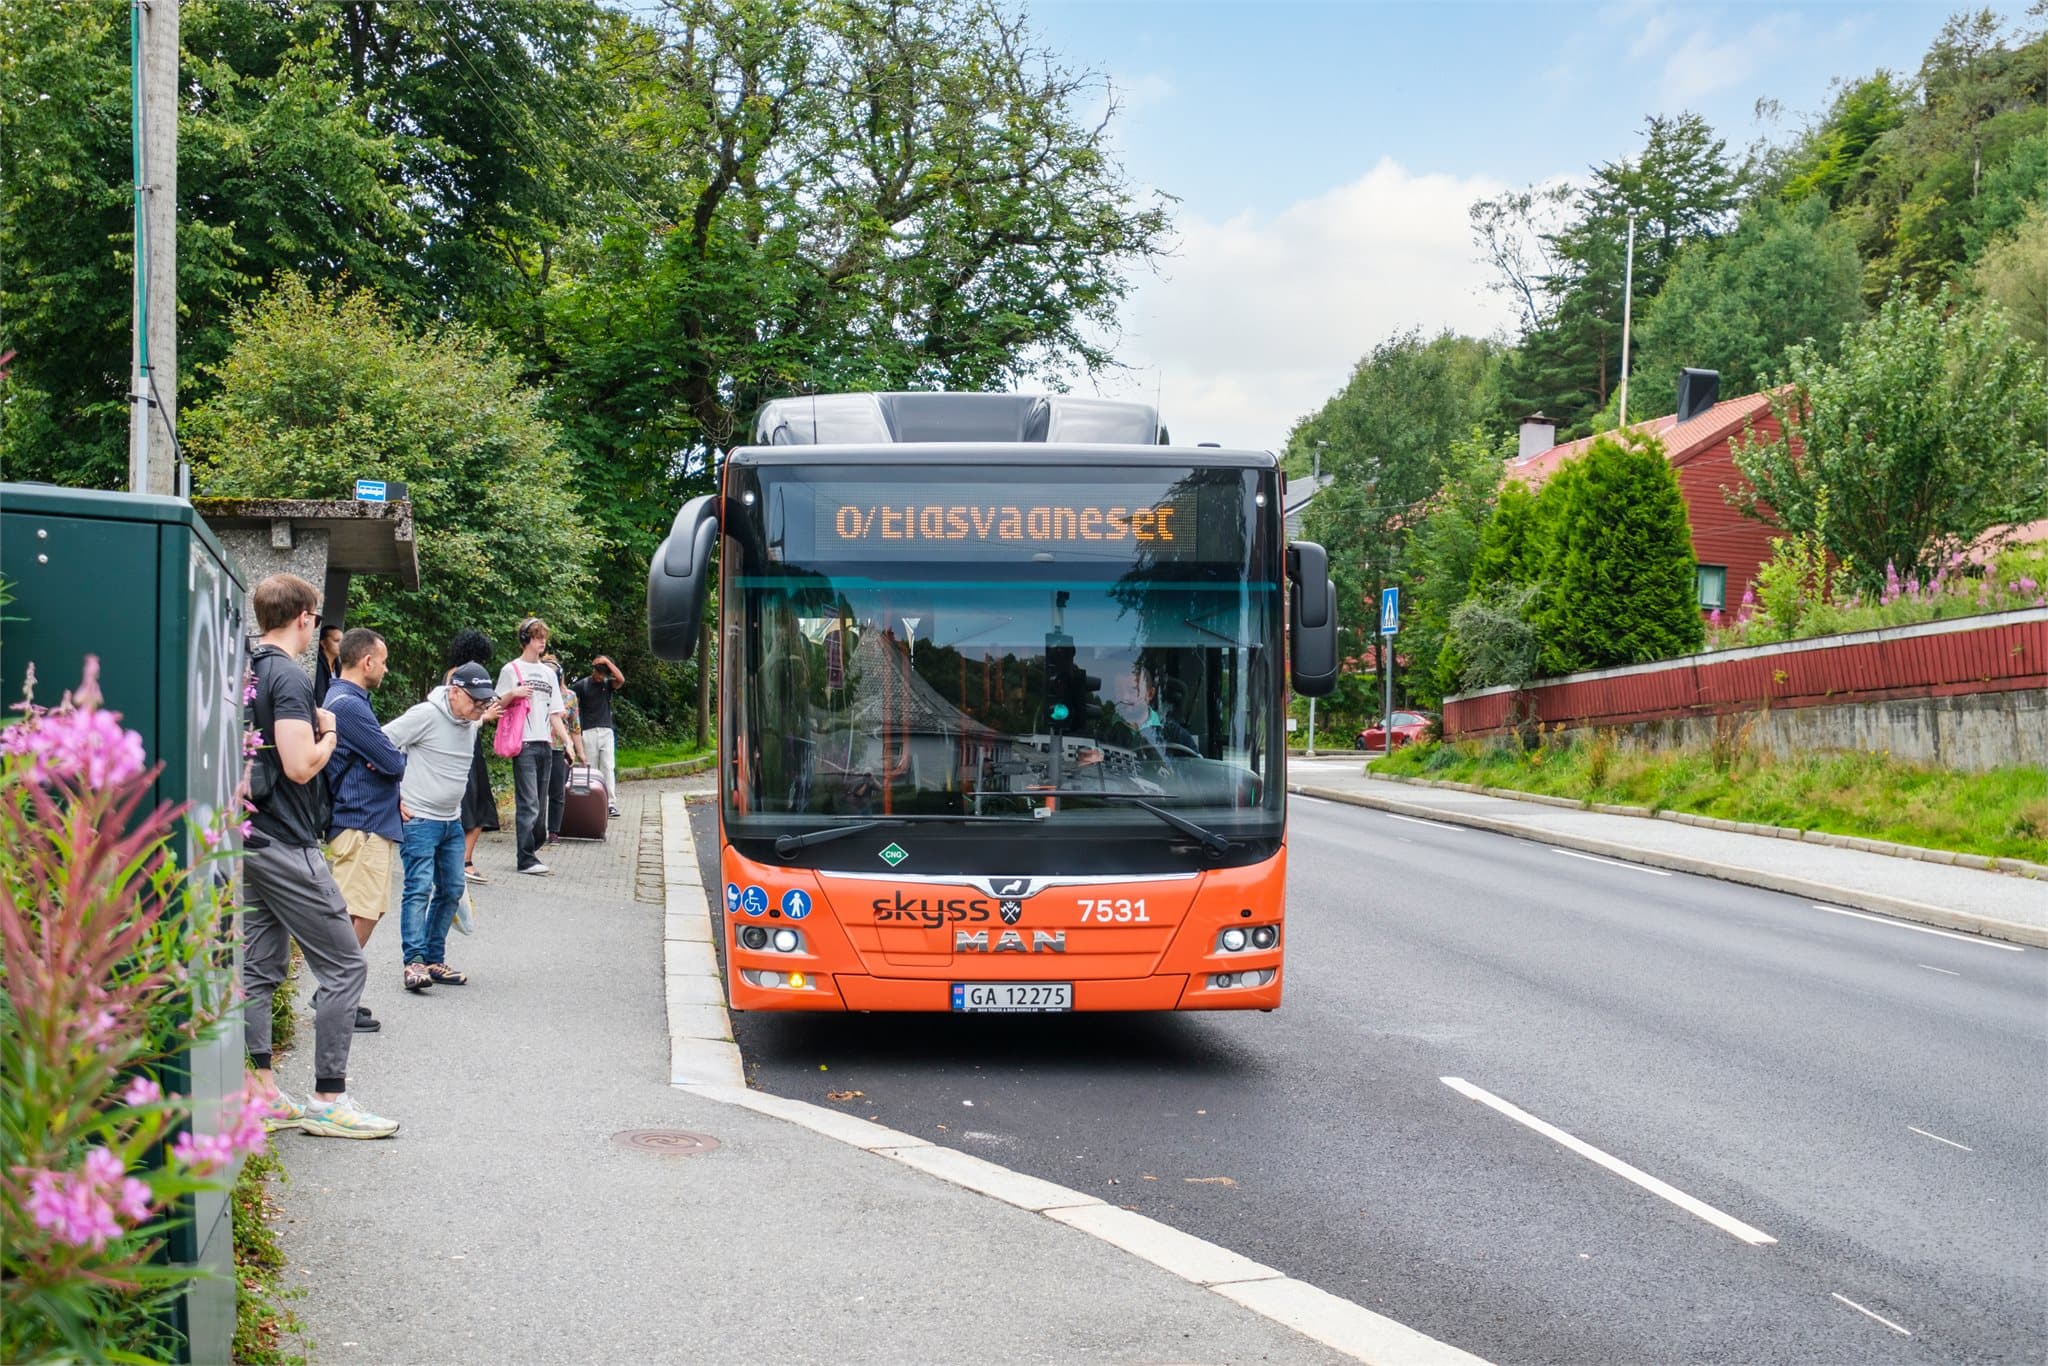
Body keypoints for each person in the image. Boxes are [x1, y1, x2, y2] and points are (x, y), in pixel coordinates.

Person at [240, 573, 399, 1140]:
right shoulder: (286, 675)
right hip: (286, 838)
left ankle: (258, 1091)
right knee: (345, 966)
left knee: (259, 967)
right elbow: (300, 765)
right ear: (305, 617)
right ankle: (329, 1098)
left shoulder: (248, 668)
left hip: (249, 835)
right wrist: (328, 734)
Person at [385, 663, 509, 991]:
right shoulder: (425, 715)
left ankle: (432, 959)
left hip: (451, 820)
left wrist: (483, 714)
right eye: (475, 700)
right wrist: (391, 796)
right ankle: (413, 962)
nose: (480, 706)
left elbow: (478, 717)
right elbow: (381, 742)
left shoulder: (469, 718)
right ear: (454, 692)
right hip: (419, 820)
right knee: (419, 888)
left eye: (485, 700)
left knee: (452, 889)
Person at [320, 629, 407, 1036]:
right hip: (361, 823)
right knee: (361, 913)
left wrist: (381, 759)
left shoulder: (346, 701)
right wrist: (384, 759)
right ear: (367, 661)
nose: (386, 669)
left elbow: (383, 759)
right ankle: (336, 995)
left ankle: (336, 992)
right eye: (383, 661)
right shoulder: (349, 705)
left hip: (367, 822)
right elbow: (393, 761)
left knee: (366, 910)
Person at [497, 618, 573, 875]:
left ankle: (532, 847)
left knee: (540, 807)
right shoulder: (511, 670)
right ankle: (525, 859)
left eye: (544, 637)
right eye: (537, 637)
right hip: (524, 744)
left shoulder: (549, 673)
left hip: (545, 744)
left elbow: (555, 713)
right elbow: (495, 705)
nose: (542, 642)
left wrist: (568, 742)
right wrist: (513, 694)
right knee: (528, 803)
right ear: (525, 639)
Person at [446, 629, 500, 882]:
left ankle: (461, 860)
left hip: (465, 745)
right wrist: (486, 717)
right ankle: (463, 861)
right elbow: (458, 718)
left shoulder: (452, 674)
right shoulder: (459, 678)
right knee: (476, 803)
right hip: (464, 745)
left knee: (476, 802)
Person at [572, 654, 626, 817]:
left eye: (604, 674)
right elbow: (571, 704)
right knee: (591, 768)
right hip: (588, 731)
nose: (601, 677)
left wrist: (607, 662)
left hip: (606, 730)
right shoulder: (582, 685)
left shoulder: (608, 685)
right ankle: (592, 803)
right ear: (594, 670)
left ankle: (610, 803)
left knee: (608, 767)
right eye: (599, 672)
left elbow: (621, 679)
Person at [541, 652, 585, 843]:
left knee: (557, 791)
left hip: (560, 748)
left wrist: (580, 752)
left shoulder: (569, 696)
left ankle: (554, 831)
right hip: (538, 744)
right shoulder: (536, 694)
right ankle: (534, 829)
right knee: (537, 791)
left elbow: (575, 727)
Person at [313, 621, 342, 704]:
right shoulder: (318, 665)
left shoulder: (338, 666)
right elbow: (319, 695)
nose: (341, 645)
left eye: (343, 641)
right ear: (323, 643)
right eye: (336, 641)